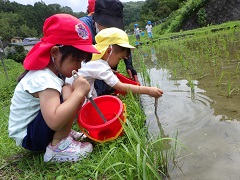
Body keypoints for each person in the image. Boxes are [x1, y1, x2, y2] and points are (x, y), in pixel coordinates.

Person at [8, 14, 100, 162]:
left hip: (35, 130)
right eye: (77, 60)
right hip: (30, 138)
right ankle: (58, 148)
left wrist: (75, 92)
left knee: (68, 89)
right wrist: (80, 92)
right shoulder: (43, 79)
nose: (78, 66)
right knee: (72, 92)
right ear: (55, 52)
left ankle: (63, 135)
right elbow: (54, 121)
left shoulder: (50, 73)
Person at [66, 27, 163, 100]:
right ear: (109, 51)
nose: (118, 62)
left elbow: (93, 69)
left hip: (71, 94)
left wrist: (111, 71)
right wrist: (148, 90)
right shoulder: (100, 66)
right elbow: (120, 86)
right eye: (119, 58)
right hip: (76, 102)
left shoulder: (92, 57)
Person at [80, 0, 139, 96]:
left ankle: (106, 90)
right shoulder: (82, 29)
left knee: (113, 56)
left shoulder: (114, 28)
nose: (110, 29)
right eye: (107, 25)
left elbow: (121, 44)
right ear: (95, 16)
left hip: (100, 66)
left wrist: (129, 65)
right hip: (81, 77)